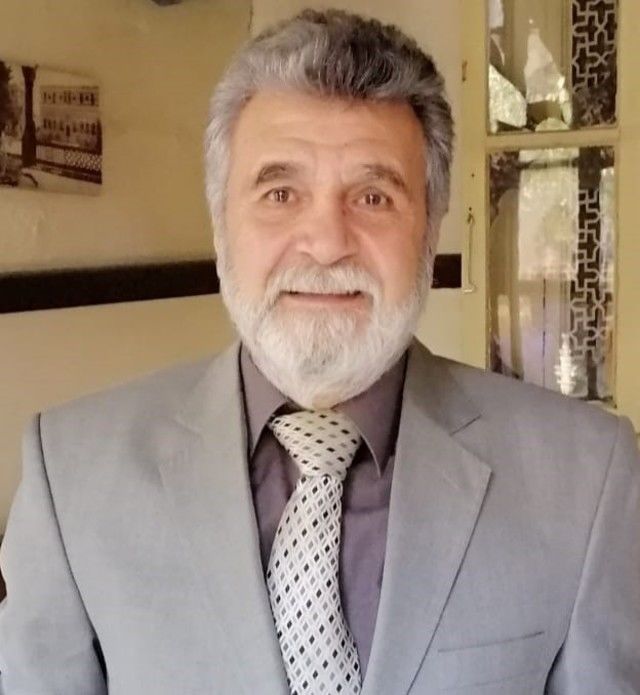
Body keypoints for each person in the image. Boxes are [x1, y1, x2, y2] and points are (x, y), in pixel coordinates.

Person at [1, 9, 639, 695]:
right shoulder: (70, 472)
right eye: (280, 193)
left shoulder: (587, 478)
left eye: (373, 196)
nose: (328, 243)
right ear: (221, 224)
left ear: (430, 227)